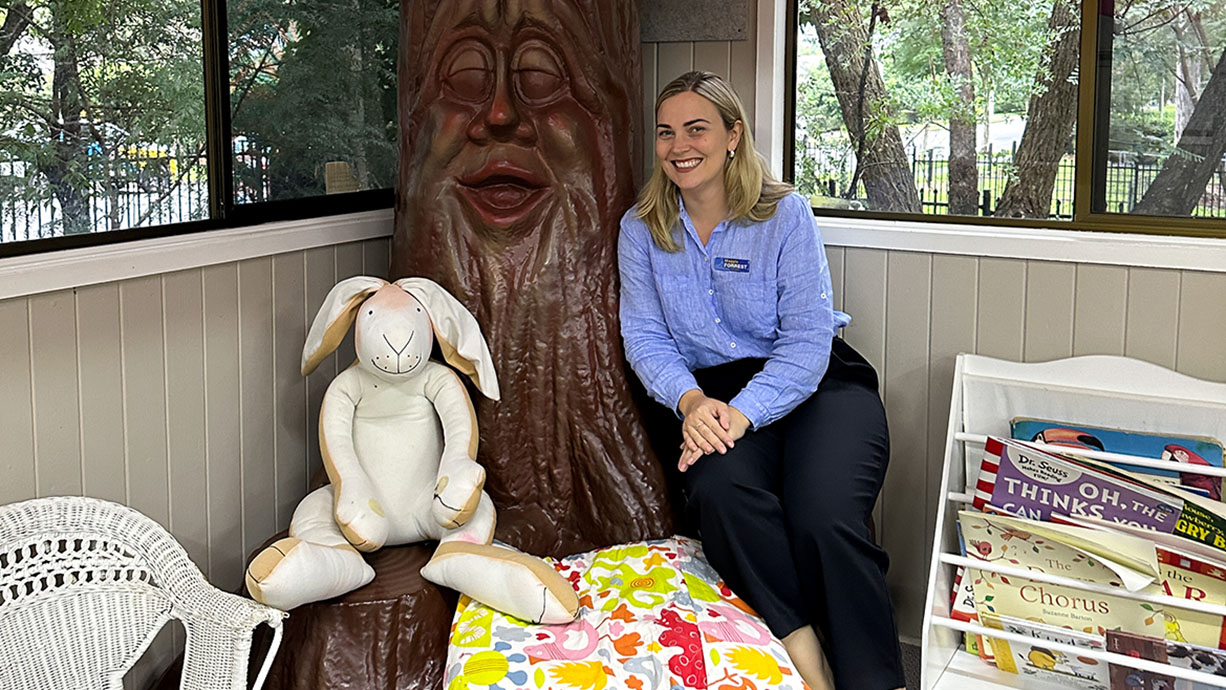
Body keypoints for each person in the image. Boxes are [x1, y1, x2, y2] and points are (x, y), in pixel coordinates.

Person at [618, 70, 905, 690]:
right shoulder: (640, 229)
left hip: (819, 385)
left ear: (732, 136)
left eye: (697, 129)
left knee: (823, 515)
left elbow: (806, 342)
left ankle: (876, 680)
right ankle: (806, 651)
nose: (679, 146)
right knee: (720, 493)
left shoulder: (784, 214)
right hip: (708, 396)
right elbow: (644, 338)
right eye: (666, 133)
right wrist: (691, 403)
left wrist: (739, 414)